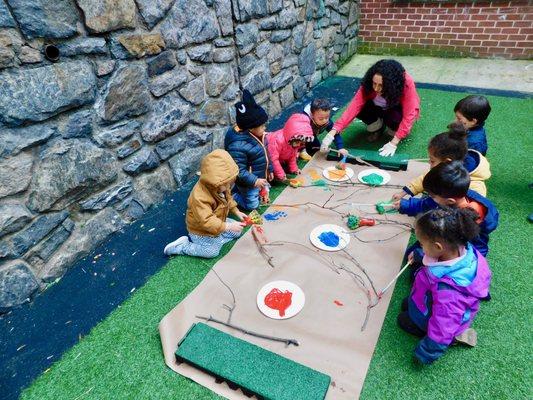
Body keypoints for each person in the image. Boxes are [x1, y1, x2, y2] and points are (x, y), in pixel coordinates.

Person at [398, 207, 492, 365]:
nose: (420, 247)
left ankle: (455, 338)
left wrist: (428, 351)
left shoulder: (450, 291)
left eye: (421, 244)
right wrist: (422, 255)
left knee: (403, 320)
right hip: (427, 297)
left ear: (438, 247)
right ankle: (418, 308)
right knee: (406, 304)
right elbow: (434, 257)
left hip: (440, 316)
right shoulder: (461, 249)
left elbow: (443, 325)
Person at [394, 161, 499, 258]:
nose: (430, 198)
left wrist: (424, 254)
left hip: (456, 250)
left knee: (420, 266)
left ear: (450, 202)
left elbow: (477, 250)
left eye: (432, 196)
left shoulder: (471, 223)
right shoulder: (453, 193)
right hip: (443, 235)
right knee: (411, 254)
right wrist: (405, 205)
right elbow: (427, 204)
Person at [321, 59, 420, 157]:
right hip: (376, 108)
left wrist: (394, 143)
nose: (376, 89)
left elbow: (410, 113)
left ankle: (392, 128)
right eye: (374, 83)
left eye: (381, 85)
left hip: (394, 110)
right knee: (359, 109)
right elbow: (354, 106)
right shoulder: (368, 82)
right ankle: (378, 127)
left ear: (392, 84)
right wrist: (333, 132)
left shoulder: (406, 83)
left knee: (395, 127)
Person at [163, 149, 247, 258]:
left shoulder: (221, 185)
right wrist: (228, 226)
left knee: (238, 232)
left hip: (218, 220)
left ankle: (218, 235)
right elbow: (207, 221)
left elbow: (228, 198)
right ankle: (183, 246)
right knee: (211, 252)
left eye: (229, 184)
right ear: (212, 182)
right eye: (225, 185)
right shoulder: (199, 197)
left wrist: (236, 211)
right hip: (201, 230)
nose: (228, 188)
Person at [392, 122, 491, 200]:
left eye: (432, 161)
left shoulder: (474, 188)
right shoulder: (447, 167)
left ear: (447, 161)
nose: (429, 165)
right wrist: (404, 192)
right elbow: (426, 178)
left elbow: (467, 216)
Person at [224, 90, 273, 211]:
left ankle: (254, 192)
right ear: (250, 128)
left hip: (259, 175)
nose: (265, 128)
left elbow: (266, 153)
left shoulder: (259, 135)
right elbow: (238, 170)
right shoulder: (237, 146)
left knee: (265, 189)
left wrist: (270, 169)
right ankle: (234, 196)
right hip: (247, 182)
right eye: (262, 126)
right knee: (253, 205)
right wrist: (254, 181)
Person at [268, 113, 315, 181]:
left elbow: (292, 156)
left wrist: (294, 169)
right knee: (272, 175)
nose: (299, 145)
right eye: (298, 142)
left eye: (302, 143)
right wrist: (281, 175)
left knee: (286, 167)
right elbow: (273, 159)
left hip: (280, 158)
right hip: (266, 156)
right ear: (292, 136)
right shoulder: (277, 140)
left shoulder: (294, 143)